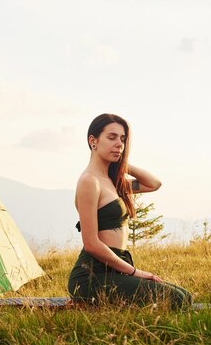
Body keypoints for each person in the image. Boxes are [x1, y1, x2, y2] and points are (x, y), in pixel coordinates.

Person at [67, 113, 191, 309]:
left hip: (114, 269)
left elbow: (154, 184)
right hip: (92, 275)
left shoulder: (113, 182)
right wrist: (134, 272)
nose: (119, 144)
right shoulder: (89, 182)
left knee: (185, 296)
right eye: (112, 137)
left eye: (122, 139)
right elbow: (91, 244)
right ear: (93, 141)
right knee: (177, 299)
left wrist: (123, 163)